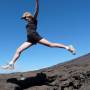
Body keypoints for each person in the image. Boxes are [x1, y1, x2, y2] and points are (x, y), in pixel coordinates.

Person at [1, 0, 76, 70]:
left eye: (25, 17)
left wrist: (37, 2)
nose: (24, 19)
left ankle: (68, 47)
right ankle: (11, 64)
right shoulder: (28, 23)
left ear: (28, 16)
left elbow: (36, 10)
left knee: (50, 45)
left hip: (35, 36)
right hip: (29, 39)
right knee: (18, 50)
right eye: (24, 18)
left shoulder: (34, 20)